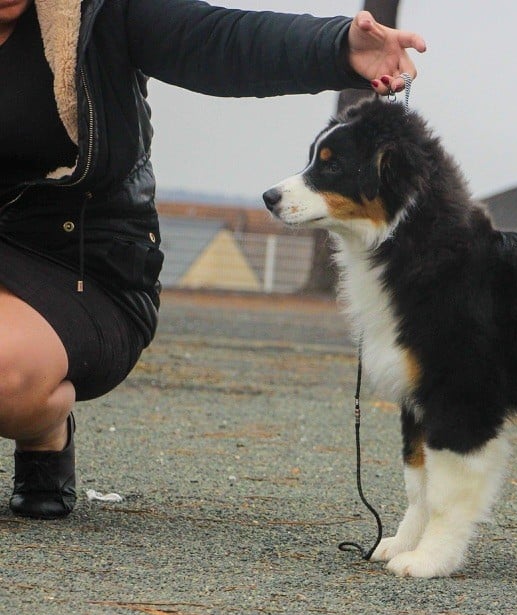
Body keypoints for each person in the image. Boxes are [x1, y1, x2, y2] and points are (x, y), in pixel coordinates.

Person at [0, 0, 425, 519]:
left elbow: (216, 40)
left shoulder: (98, 11)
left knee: (6, 374)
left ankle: (43, 430)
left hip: (79, 263)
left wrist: (338, 47)